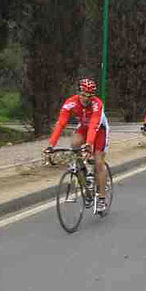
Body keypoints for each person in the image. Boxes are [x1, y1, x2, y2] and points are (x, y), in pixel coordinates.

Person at [45, 78, 110, 214]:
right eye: (83, 95)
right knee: (74, 145)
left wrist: (89, 144)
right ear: (79, 93)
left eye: (90, 96)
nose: (86, 99)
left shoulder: (97, 104)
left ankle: (102, 198)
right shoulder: (71, 102)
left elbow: (94, 125)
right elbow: (60, 124)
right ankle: (84, 175)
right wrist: (51, 145)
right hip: (84, 127)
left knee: (98, 162)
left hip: (99, 129)